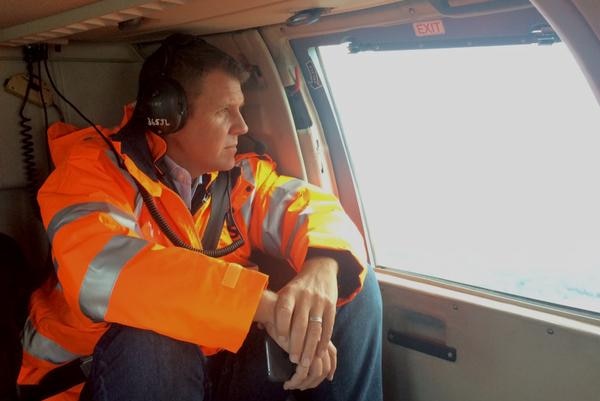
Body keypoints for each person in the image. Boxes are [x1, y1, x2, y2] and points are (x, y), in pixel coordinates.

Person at [18, 33, 382, 401]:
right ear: (167, 115)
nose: (242, 126)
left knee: (348, 285)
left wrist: (322, 270)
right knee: (155, 337)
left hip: (212, 366)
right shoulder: (90, 174)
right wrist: (264, 306)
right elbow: (102, 272)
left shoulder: (240, 178)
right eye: (225, 111)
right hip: (88, 378)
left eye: (240, 110)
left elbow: (311, 208)